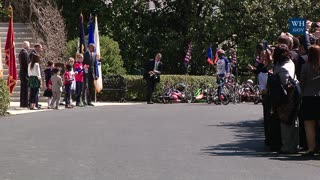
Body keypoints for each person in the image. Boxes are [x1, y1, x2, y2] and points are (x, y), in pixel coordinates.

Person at [272, 44, 299, 154]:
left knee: (286, 121)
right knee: (293, 120)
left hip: (286, 97)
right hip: (293, 95)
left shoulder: (282, 67)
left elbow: (284, 83)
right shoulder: (290, 63)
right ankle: (293, 145)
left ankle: (288, 146)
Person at [300, 45, 320, 156]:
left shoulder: (305, 67)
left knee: (309, 124)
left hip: (308, 97)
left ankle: (311, 148)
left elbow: (301, 83)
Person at [29, 43, 44, 108]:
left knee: (32, 92)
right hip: (35, 79)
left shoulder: (30, 64)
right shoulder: (36, 64)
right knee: (35, 92)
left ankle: (31, 105)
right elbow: (38, 74)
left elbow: (29, 73)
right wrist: (40, 80)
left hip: (31, 78)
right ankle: (34, 105)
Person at [18, 41, 30, 108]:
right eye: (29, 46)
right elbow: (26, 64)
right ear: (26, 46)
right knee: (25, 89)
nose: (29, 47)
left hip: (22, 73)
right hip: (25, 73)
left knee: (23, 89)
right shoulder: (24, 53)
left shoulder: (21, 53)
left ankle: (23, 103)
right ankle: (24, 103)